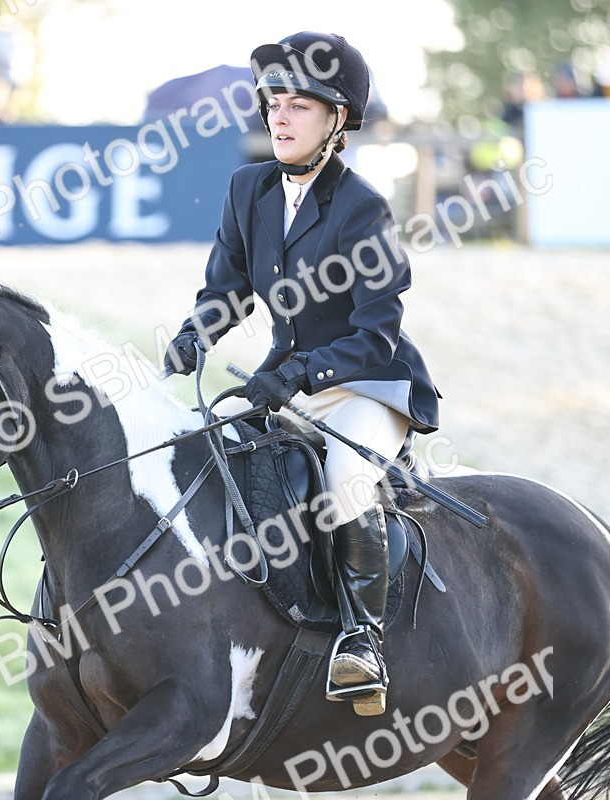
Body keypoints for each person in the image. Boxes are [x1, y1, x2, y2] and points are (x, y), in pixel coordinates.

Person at [164, 32, 440, 711]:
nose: (280, 119)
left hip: (368, 383)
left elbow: (376, 334)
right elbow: (226, 291)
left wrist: (299, 377)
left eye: (299, 108)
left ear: (336, 121)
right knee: (208, 448)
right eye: (274, 104)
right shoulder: (247, 189)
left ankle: (362, 639)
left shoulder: (363, 208)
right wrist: (194, 336)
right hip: (288, 376)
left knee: (347, 478)